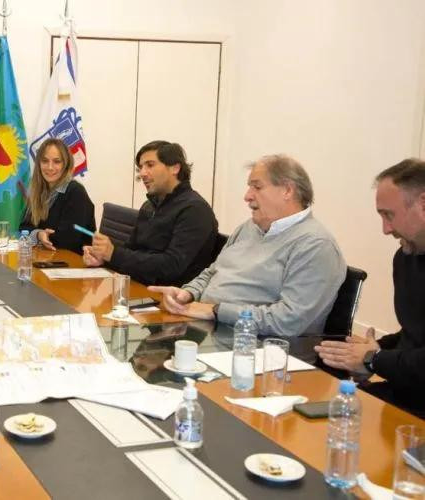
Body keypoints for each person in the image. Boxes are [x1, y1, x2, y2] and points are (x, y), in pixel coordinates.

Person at [151, 154, 346, 336]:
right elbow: (214, 272)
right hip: (209, 329)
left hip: (260, 347)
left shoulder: (316, 246)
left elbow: (289, 320)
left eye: (257, 187)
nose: (247, 196)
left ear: (287, 190)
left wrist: (216, 311)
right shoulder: (249, 227)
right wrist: (187, 293)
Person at [315, 158, 425, 417]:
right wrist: (366, 351)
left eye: (389, 215)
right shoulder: (406, 258)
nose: (386, 230)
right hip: (405, 392)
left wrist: (374, 359)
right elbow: (415, 335)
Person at [83, 140, 218, 286]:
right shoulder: (150, 205)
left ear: (175, 168)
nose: (142, 173)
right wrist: (104, 258)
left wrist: (114, 254)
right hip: (138, 287)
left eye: (150, 165)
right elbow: (131, 251)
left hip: (168, 299)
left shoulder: (195, 210)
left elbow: (171, 266)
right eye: (141, 167)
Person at [19, 138, 95, 254]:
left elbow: (68, 240)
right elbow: (24, 228)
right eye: (45, 161)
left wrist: (44, 236)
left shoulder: (76, 192)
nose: (50, 167)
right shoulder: (39, 191)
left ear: (66, 164)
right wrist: (39, 234)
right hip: (49, 259)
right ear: (38, 164)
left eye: (57, 161)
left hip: (75, 263)